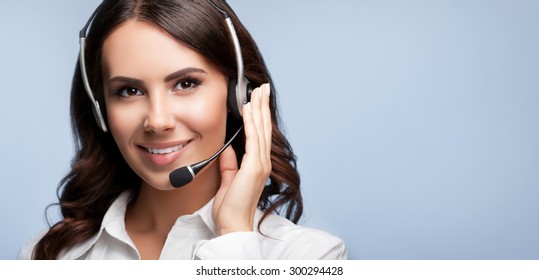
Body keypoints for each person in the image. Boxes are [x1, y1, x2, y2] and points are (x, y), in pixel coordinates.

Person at [19, 0, 347, 260]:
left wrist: (234, 237)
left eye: (186, 83)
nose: (157, 121)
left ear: (239, 96)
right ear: (100, 109)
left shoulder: (309, 256)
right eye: (129, 91)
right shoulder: (49, 257)